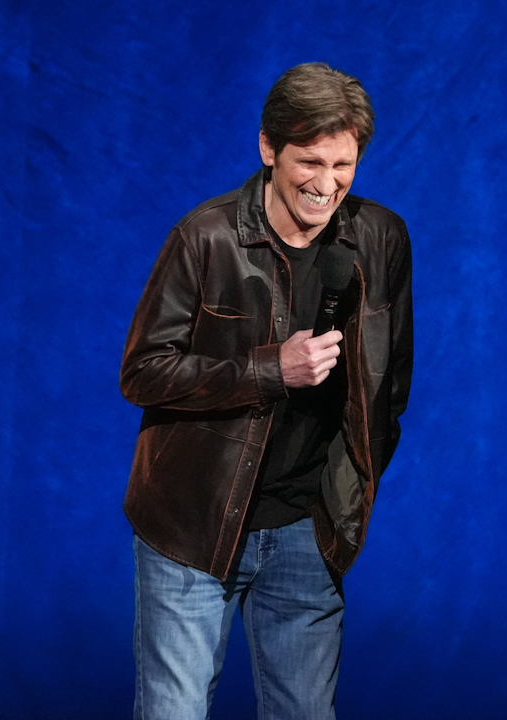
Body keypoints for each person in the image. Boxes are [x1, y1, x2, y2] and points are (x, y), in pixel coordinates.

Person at [119, 62, 412, 719]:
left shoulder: (380, 237)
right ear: (268, 148)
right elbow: (143, 371)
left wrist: (348, 490)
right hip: (193, 528)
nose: (327, 184)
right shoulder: (206, 235)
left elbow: (389, 385)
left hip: (309, 527)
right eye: (310, 162)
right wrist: (269, 369)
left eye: (343, 165)